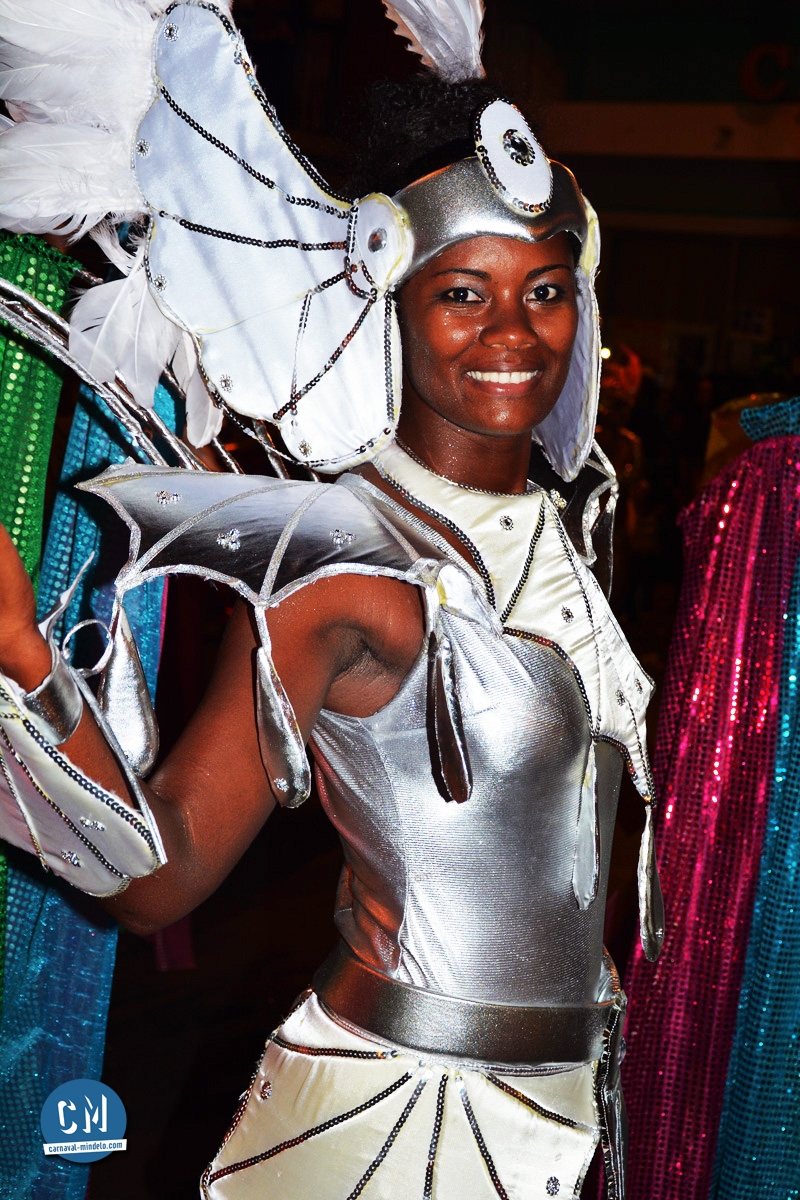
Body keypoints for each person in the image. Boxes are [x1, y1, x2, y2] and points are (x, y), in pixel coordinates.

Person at [0, 3, 662, 1196]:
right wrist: (26, 665)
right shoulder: (345, 560)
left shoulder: (566, 524)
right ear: (391, 305)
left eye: (543, 290)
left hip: (571, 1119)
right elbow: (161, 879)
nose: (511, 334)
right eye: (461, 294)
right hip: (397, 1131)